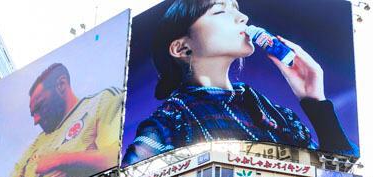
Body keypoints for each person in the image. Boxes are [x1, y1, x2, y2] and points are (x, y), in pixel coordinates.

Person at [122, 0, 358, 166]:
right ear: (182, 47)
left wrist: (315, 102)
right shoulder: (167, 125)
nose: (242, 17)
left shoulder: (276, 114)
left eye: (236, 8)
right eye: (219, 11)